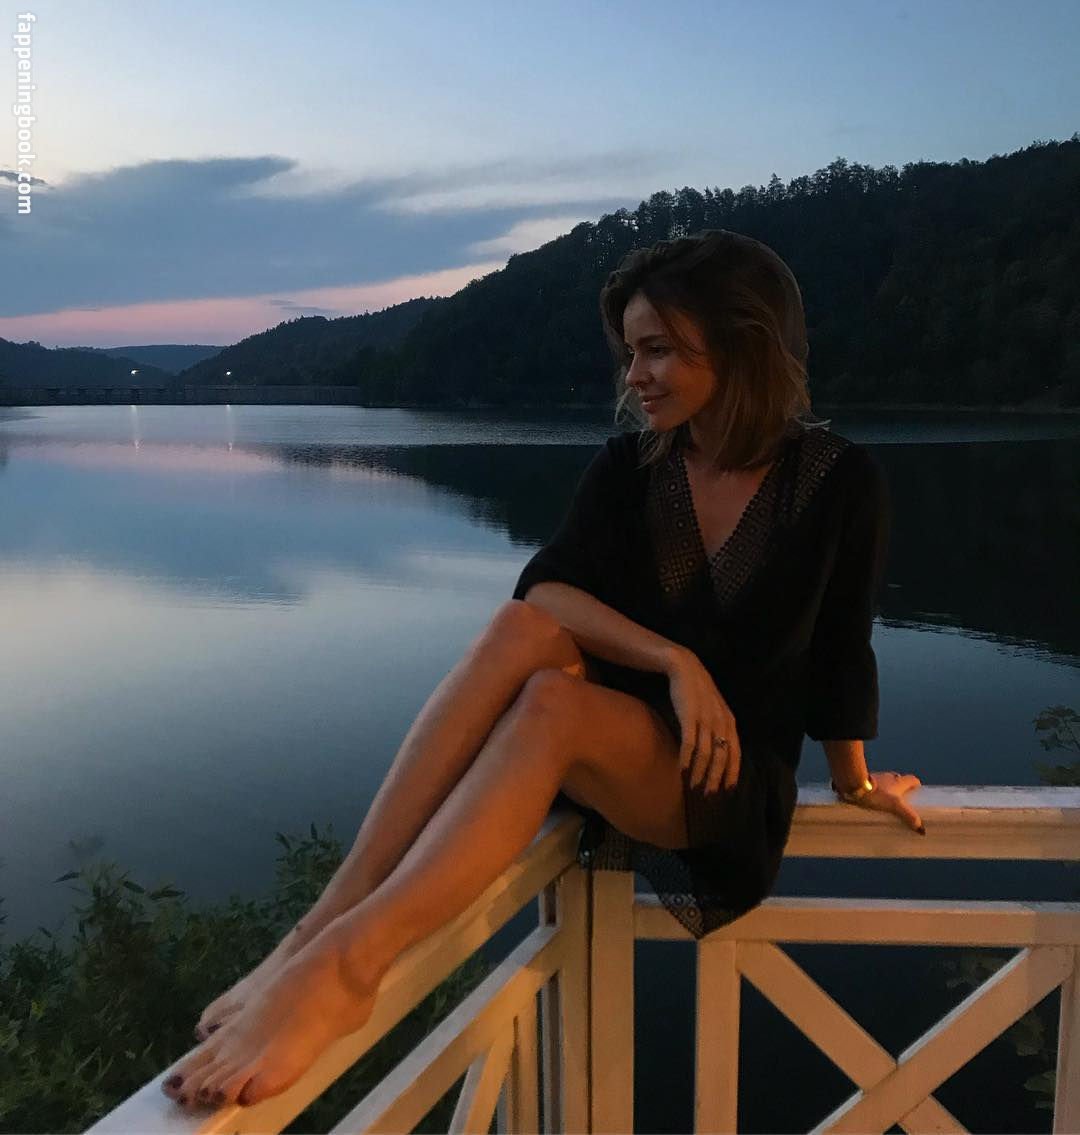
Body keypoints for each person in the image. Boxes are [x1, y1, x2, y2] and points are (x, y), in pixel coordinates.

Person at [162, 229, 924, 1113]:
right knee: (521, 632)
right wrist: (674, 660)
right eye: (630, 353)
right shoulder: (633, 467)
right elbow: (547, 592)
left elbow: (840, 651)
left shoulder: (837, 481)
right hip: (616, 728)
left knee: (552, 705)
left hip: (722, 778)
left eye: (658, 350)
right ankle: (320, 928)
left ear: (739, 342)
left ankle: (349, 963)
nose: (635, 376)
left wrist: (855, 780)